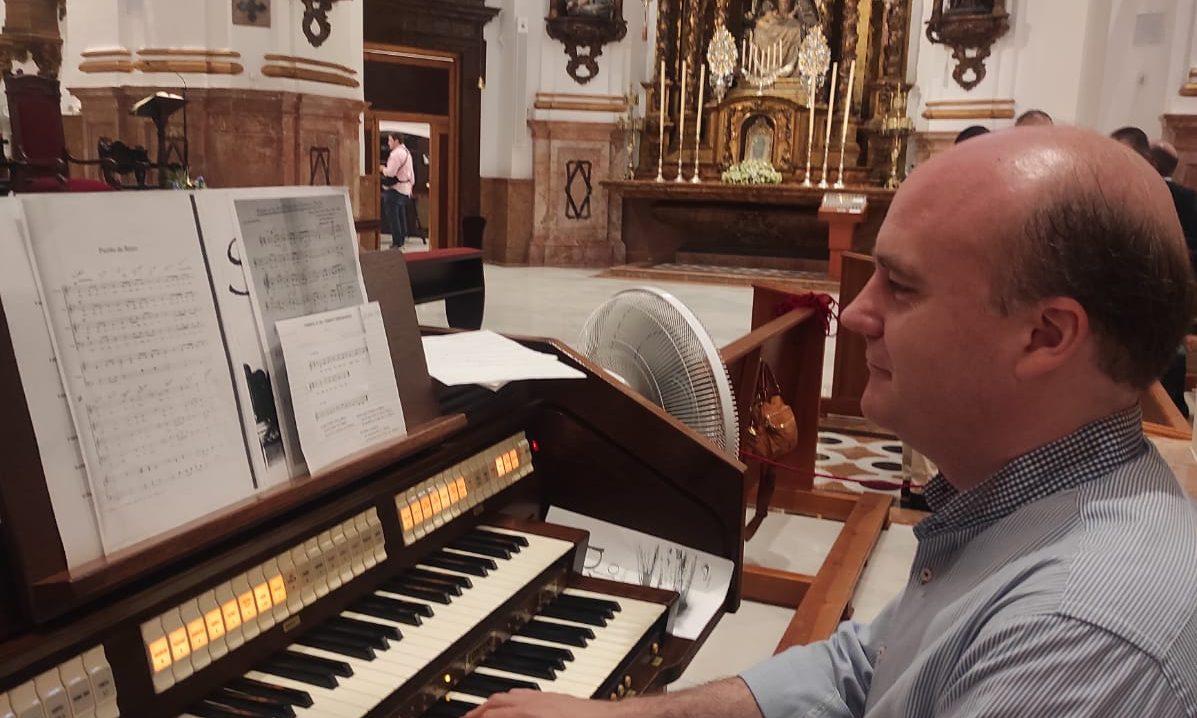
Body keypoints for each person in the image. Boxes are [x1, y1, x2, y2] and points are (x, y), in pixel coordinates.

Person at [465, 127, 1197, 717]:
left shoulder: (1076, 642)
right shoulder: (1018, 502)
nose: (857, 316)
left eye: (901, 287)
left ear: (1045, 336)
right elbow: (865, 668)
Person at [380, 132, 415, 249]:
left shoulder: (396, 154)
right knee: (401, 215)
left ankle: (397, 242)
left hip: (396, 189)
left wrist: (382, 169)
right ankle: (402, 240)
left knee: (393, 217)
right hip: (406, 189)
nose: (388, 143)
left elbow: (390, 172)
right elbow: (412, 175)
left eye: (390, 140)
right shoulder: (407, 153)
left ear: (396, 141)